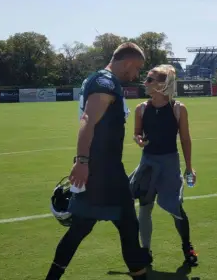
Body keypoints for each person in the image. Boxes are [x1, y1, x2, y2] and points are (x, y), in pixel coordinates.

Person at [45, 42, 152, 280]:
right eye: (136, 69)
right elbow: (87, 120)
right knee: (127, 229)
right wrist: (82, 161)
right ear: (127, 63)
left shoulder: (99, 80)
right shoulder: (105, 83)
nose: (136, 75)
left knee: (82, 228)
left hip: (103, 169)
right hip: (105, 172)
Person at [129, 64, 198, 267]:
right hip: (148, 163)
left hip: (169, 163)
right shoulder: (141, 108)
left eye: (149, 80)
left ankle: (187, 247)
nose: (145, 83)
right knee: (145, 207)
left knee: (176, 207)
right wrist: (139, 140)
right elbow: (137, 133)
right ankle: (145, 250)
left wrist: (189, 167)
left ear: (162, 85)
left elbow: (185, 139)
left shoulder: (178, 109)